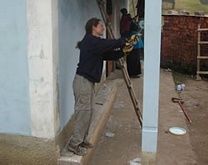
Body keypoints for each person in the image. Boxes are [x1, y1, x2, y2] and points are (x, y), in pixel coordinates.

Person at [67, 17, 126, 156]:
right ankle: (74, 144)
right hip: (83, 81)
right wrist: (121, 41)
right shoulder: (90, 41)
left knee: (90, 112)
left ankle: (82, 140)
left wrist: (123, 51)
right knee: (83, 112)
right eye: (100, 26)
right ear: (93, 27)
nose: (103, 28)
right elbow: (107, 44)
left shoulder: (95, 44)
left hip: (88, 82)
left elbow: (108, 54)